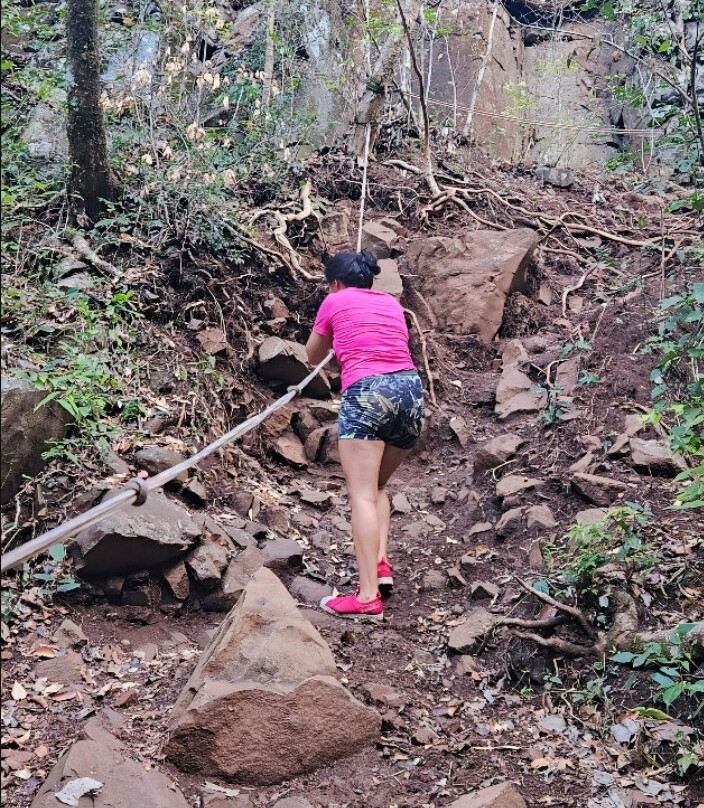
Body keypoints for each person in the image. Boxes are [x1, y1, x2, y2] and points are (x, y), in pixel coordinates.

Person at [306, 249, 425, 622]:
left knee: (360, 495)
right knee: (377, 487)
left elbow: (313, 355)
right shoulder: (391, 304)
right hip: (410, 391)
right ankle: (380, 563)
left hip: (368, 393)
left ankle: (368, 596)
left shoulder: (334, 299)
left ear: (335, 282)